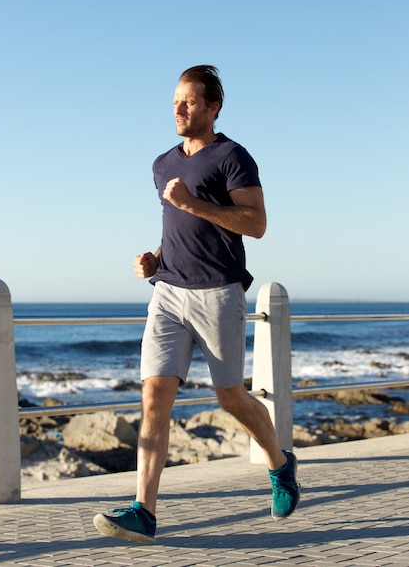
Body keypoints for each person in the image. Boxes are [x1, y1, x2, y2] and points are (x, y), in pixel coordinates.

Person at [93, 65, 300, 544]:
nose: (179, 109)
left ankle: (279, 463)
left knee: (230, 397)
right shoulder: (163, 163)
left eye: (188, 101)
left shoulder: (233, 156)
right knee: (153, 397)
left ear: (213, 108)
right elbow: (181, 231)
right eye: (174, 102)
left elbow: (256, 223)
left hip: (218, 293)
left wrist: (191, 204)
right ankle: (144, 511)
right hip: (168, 293)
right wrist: (156, 257)